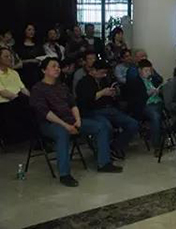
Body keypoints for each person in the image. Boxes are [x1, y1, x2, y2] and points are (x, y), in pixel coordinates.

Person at [30, 58, 122, 187]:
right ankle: (64, 174)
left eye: (58, 67)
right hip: (50, 124)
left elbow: (73, 105)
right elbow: (45, 112)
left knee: (101, 127)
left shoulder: (62, 86)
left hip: (71, 120)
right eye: (53, 66)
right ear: (44, 70)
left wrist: (77, 120)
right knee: (62, 133)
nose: (57, 69)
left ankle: (104, 163)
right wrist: (66, 125)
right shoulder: (38, 89)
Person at [76, 60, 139, 159]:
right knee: (106, 127)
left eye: (105, 73)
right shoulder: (83, 83)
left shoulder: (104, 80)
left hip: (109, 108)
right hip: (93, 111)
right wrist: (101, 93)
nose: (104, 75)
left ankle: (115, 145)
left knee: (133, 124)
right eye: (102, 73)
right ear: (94, 70)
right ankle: (102, 151)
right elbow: (84, 101)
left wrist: (113, 94)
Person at [0, 47, 32, 144]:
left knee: (35, 104)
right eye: (6, 56)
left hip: (18, 99)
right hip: (4, 103)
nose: (10, 58)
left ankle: (38, 137)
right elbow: (3, 92)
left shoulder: (14, 73)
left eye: (10, 56)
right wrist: (20, 99)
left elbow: (23, 89)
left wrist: (31, 98)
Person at [131, 59, 163, 156]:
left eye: (150, 70)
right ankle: (157, 145)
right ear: (139, 70)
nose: (148, 73)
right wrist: (148, 93)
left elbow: (160, 81)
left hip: (158, 102)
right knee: (155, 116)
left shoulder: (153, 79)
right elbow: (137, 100)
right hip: (146, 105)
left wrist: (159, 90)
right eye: (146, 71)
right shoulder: (135, 82)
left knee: (172, 107)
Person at [15, 24, 44, 89]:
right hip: (23, 72)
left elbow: (42, 57)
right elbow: (17, 61)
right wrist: (30, 61)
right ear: (24, 31)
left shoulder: (38, 46)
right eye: (29, 30)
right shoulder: (18, 46)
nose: (32, 32)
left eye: (33, 30)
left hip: (37, 72)